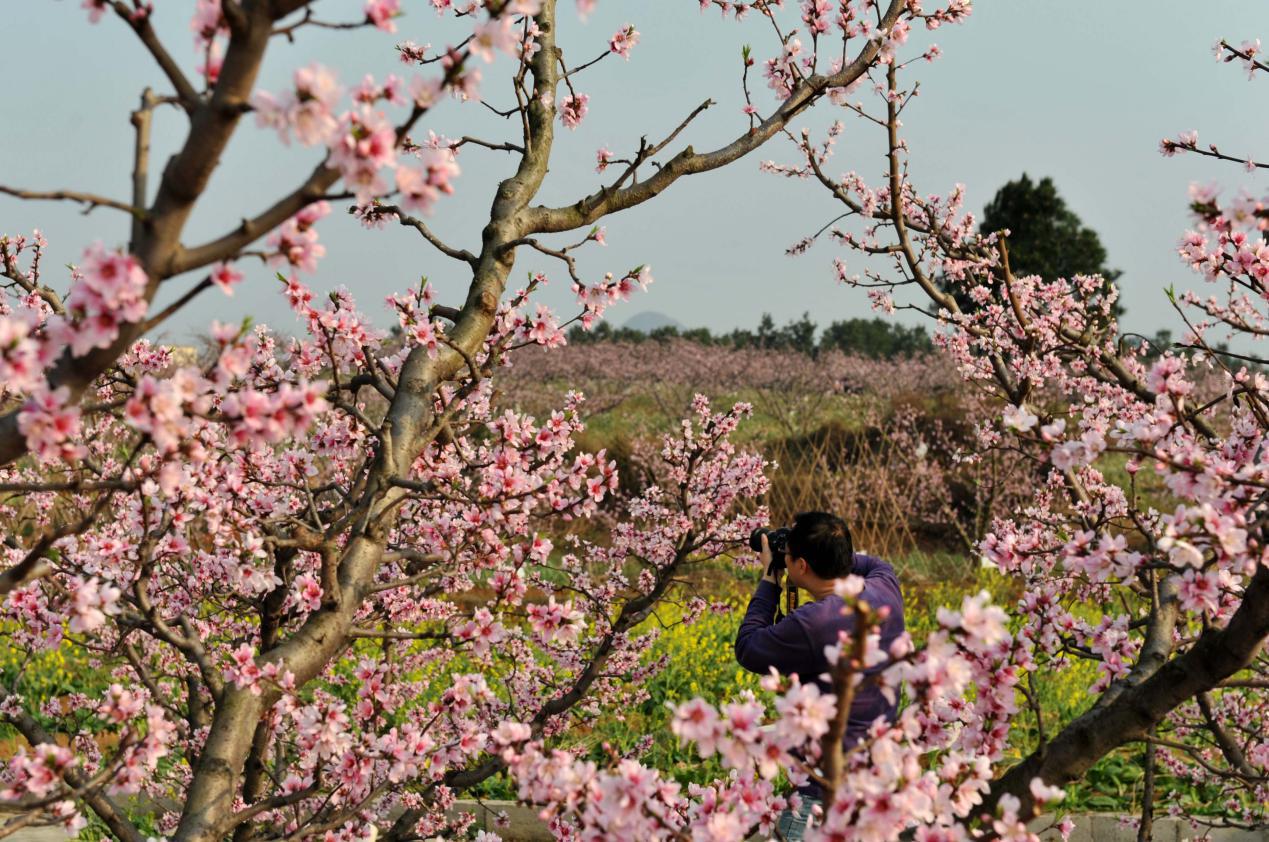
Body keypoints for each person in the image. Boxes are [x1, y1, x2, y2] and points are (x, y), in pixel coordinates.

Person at [734, 511, 905, 840]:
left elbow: (749, 648)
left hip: (821, 791)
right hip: (877, 777)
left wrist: (770, 578)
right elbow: (865, 561)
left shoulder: (816, 622)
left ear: (800, 567)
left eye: (790, 557)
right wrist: (819, 545)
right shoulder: (885, 586)